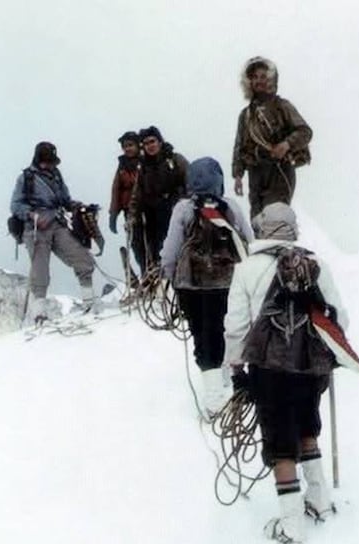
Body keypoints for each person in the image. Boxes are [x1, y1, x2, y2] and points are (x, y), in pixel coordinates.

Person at [223, 202, 347, 544]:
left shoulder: (247, 269)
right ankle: (319, 500)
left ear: (262, 229)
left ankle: (291, 523)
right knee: (307, 424)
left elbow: (236, 327)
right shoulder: (315, 265)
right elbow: (339, 319)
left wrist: (237, 370)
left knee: (280, 441)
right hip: (310, 366)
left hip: (269, 368)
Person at [160, 157, 253, 417]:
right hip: (228, 282)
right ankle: (226, 380)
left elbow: (171, 248)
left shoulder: (183, 209)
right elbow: (248, 240)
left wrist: (167, 276)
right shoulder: (230, 207)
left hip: (191, 284)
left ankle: (213, 400)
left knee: (202, 336)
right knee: (225, 330)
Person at [9, 141, 98, 321]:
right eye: (47, 161)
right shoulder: (26, 178)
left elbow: (65, 199)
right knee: (40, 270)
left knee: (82, 258)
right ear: (38, 159)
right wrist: (32, 215)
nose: (50, 165)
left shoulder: (56, 176)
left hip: (56, 223)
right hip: (34, 229)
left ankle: (90, 303)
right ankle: (39, 314)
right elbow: (15, 205)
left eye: (52, 162)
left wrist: (76, 205)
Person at [231, 56, 313, 218]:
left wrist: (286, 144)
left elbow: (305, 131)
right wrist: (238, 175)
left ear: (270, 79)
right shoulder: (246, 115)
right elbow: (239, 146)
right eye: (254, 77)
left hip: (279, 171)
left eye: (263, 76)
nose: (258, 81)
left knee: (275, 219)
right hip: (256, 173)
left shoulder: (282, 106)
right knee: (257, 221)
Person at [130, 126, 188, 276]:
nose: (150, 146)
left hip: (173, 209)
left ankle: (174, 276)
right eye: (146, 143)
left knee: (174, 246)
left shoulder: (175, 160)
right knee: (149, 248)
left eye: (152, 141)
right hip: (151, 214)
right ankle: (154, 279)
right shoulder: (143, 167)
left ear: (160, 141)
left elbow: (190, 180)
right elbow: (137, 193)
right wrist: (132, 216)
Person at [108, 131, 142, 286]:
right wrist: (113, 214)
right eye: (125, 146)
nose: (128, 149)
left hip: (147, 208)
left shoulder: (146, 162)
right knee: (136, 244)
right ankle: (145, 274)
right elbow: (116, 189)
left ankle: (156, 275)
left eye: (130, 145)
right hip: (129, 211)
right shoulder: (122, 166)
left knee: (152, 243)